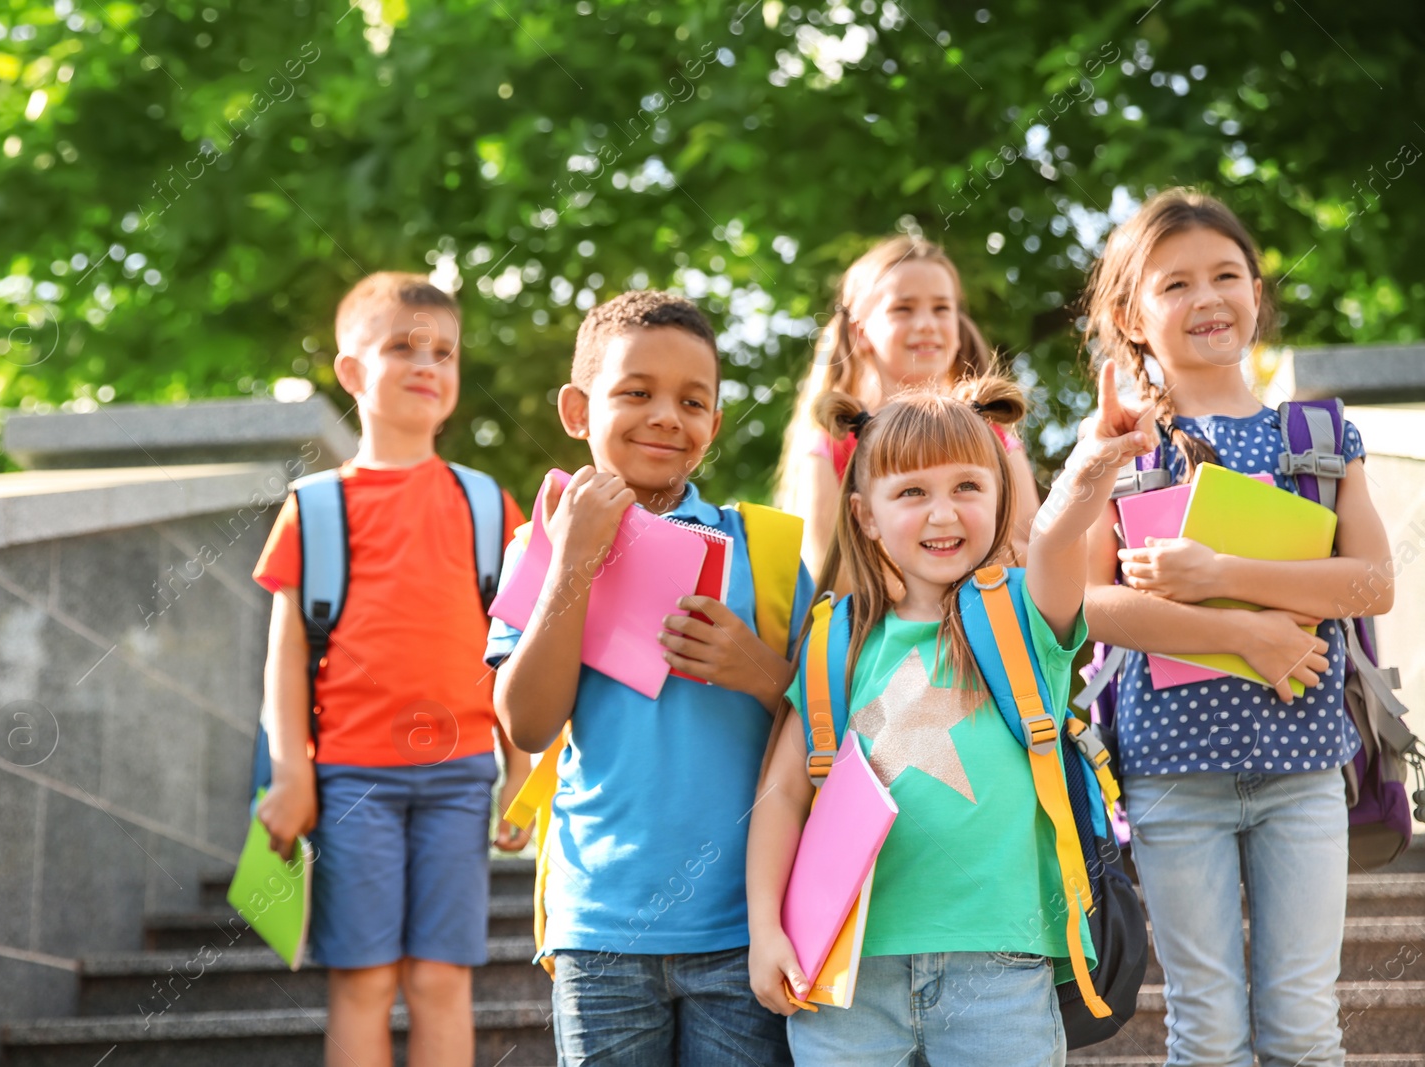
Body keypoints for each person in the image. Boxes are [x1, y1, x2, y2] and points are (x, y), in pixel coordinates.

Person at [747, 362, 1154, 1066]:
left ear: (1000, 498)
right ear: (865, 515)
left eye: (968, 486)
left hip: (1003, 968)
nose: (943, 512)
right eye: (911, 492)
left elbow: (1058, 539)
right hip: (844, 971)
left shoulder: (1025, 615)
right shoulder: (832, 639)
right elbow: (783, 793)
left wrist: (1093, 461)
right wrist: (763, 928)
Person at [1081, 188, 1395, 1067]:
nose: (1207, 298)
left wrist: (1220, 579)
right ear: (1130, 316)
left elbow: (1371, 583)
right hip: (1172, 773)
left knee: (1302, 1024)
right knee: (1207, 1028)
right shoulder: (1119, 445)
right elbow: (1078, 604)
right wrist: (1242, 635)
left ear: (1258, 291)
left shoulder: (1321, 433)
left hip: (1304, 767)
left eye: (1226, 275)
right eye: (1174, 284)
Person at [487, 290, 813, 1066]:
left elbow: (826, 722)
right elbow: (527, 722)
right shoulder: (540, 544)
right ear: (577, 408)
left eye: (692, 401)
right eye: (636, 392)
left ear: (715, 423)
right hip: (600, 924)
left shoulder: (764, 551)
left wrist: (758, 669)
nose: (666, 415)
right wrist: (574, 564)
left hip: (745, 925)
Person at [253, 272, 533, 1067]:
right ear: (350, 371)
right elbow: (286, 654)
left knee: (442, 979)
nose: (427, 364)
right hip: (350, 779)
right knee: (365, 980)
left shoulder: (487, 504)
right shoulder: (314, 507)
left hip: (459, 777)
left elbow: (512, 648)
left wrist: (521, 770)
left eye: (444, 351)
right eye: (403, 346)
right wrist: (291, 773)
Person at [774, 235, 1041, 576]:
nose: (927, 323)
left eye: (942, 308)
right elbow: (826, 577)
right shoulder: (836, 444)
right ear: (860, 332)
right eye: (903, 308)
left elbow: (1029, 551)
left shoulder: (994, 436)